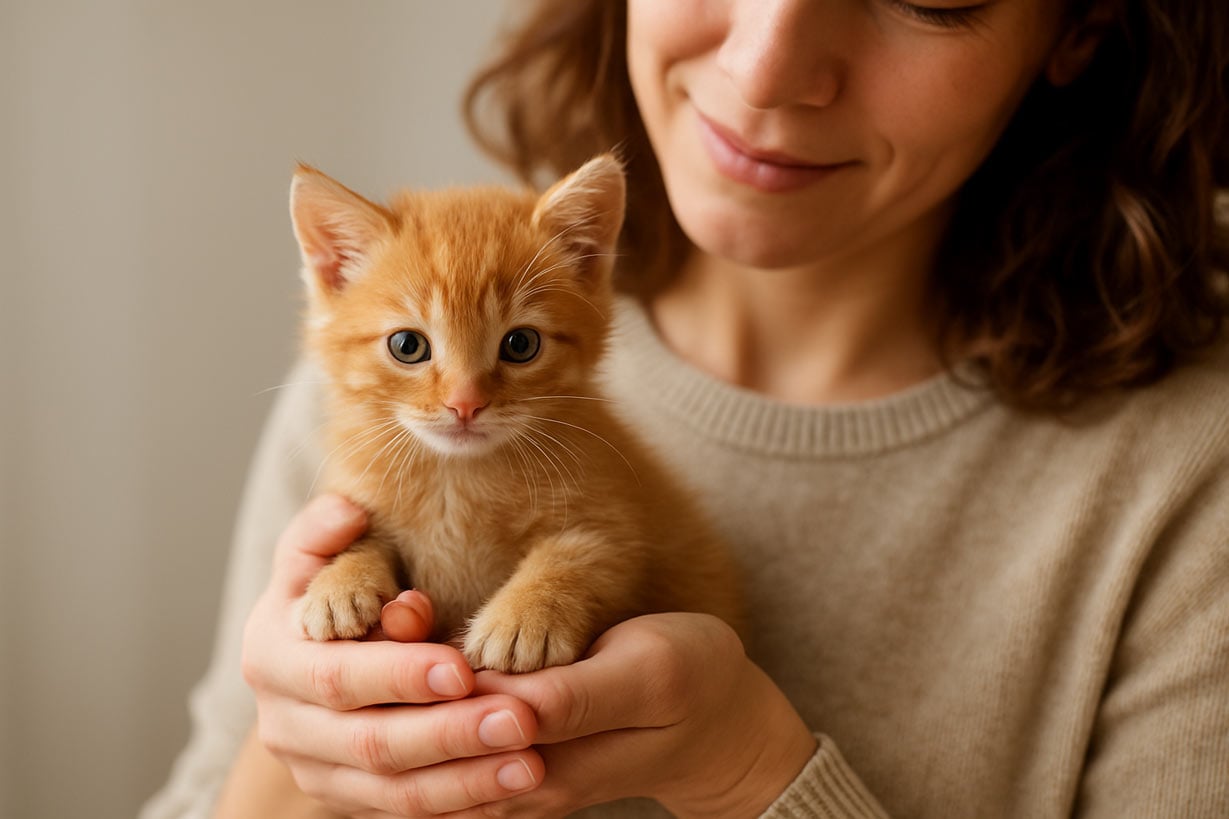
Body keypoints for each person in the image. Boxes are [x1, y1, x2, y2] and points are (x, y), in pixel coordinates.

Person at [144, 0, 1229, 816]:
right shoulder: (365, 399)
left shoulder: (1187, 471)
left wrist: (747, 771)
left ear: (1079, 27)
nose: (763, 67)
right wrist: (292, 763)